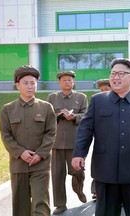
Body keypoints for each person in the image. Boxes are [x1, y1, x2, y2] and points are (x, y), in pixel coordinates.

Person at [72, 58, 130, 216]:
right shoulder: (98, 101)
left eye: (121, 74)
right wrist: (79, 153)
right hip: (106, 169)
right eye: (113, 73)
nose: (116, 77)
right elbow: (85, 129)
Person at [0, 65, 56, 216]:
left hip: (41, 164)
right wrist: (21, 152)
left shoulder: (46, 107)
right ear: (17, 85)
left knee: (40, 203)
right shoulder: (8, 109)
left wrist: (40, 154)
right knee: (20, 207)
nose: (30, 86)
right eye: (25, 83)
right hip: (18, 164)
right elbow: (5, 135)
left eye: (33, 83)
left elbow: (51, 133)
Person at [47, 70, 88, 214]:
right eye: (64, 80)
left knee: (78, 172)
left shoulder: (81, 97)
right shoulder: (52, 97)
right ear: (59, 83)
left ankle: (79, 190)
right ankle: (60, 204)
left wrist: (74, 116)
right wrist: (59, 114)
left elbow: (86, 116)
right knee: (57, 175)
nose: (67, 82)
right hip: (56, 142)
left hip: (75, 141)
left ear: (73, 82)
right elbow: (48, 116)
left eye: (69, 80)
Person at [90, 78, 112, 200]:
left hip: (114, 140)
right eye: (101, 89)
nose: (103, 91)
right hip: (101, 140)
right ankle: (95, 191)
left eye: (106, 89)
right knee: (98, 167)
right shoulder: (96, 101)